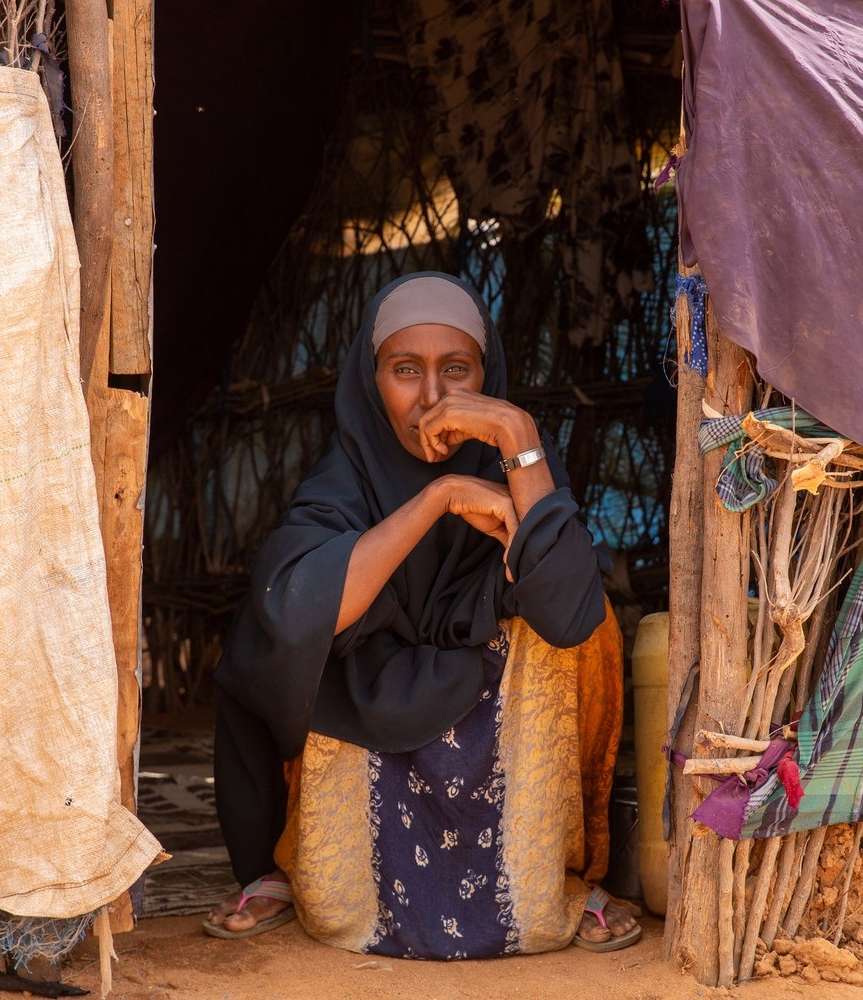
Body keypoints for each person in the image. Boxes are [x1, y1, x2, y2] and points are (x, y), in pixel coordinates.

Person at [203, 272, 640, 957]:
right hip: (364, 714)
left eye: (457, 371)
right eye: (406, 371)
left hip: (498, 721)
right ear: (370, 382)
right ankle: (291, 866)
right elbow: (301, 615)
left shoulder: (518, 459)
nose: (433, 398)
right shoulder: (342, 479)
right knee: (287, 615)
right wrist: (438, 497)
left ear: (487, 377)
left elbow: (567, 610)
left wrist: (516, 434)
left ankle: (540, 875)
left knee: (591, 624)